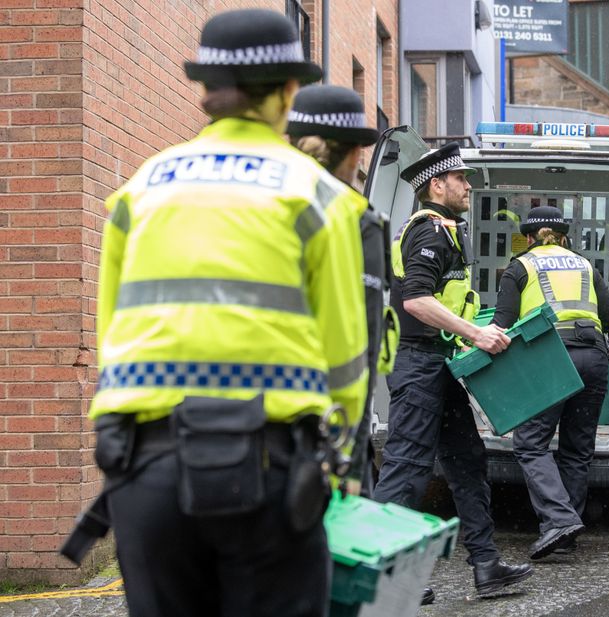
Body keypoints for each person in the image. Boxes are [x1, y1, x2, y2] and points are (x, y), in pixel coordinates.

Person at [74, 10, 368, 617]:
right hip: (269, 473)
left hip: (145, 468)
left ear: (204, 91)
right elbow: (344, 356)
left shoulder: (140, 188)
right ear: (289, 90)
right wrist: (341, 454)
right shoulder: (318, 197)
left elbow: (112, 333)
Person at [372, 143, 533, 600]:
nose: (469, 186)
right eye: (461, 179)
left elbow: (442, 301)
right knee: (405, 469)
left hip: (439, 365)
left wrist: (474, 334)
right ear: (437, 185)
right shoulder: (429, 232)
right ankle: (387, 580)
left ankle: (486, 566)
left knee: (467, 463)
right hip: (420, 365)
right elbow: (416, 301)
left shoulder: (448, 232)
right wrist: (476, 335)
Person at [491, 205, 609, 560]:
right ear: (564, 236)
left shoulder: (520, 266)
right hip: (594, 357)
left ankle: (558, 520)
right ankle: (566, 532)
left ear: (529, 237)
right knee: (577, 450)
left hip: (551, 357)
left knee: (531, 443)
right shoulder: (584, 264)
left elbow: (501, 324)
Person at [287, 84, 392, 497]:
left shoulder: (259, 202)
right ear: (352, 154)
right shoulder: (353, 214)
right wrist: (348, 453)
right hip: (325, 424)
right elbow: (361, 344)